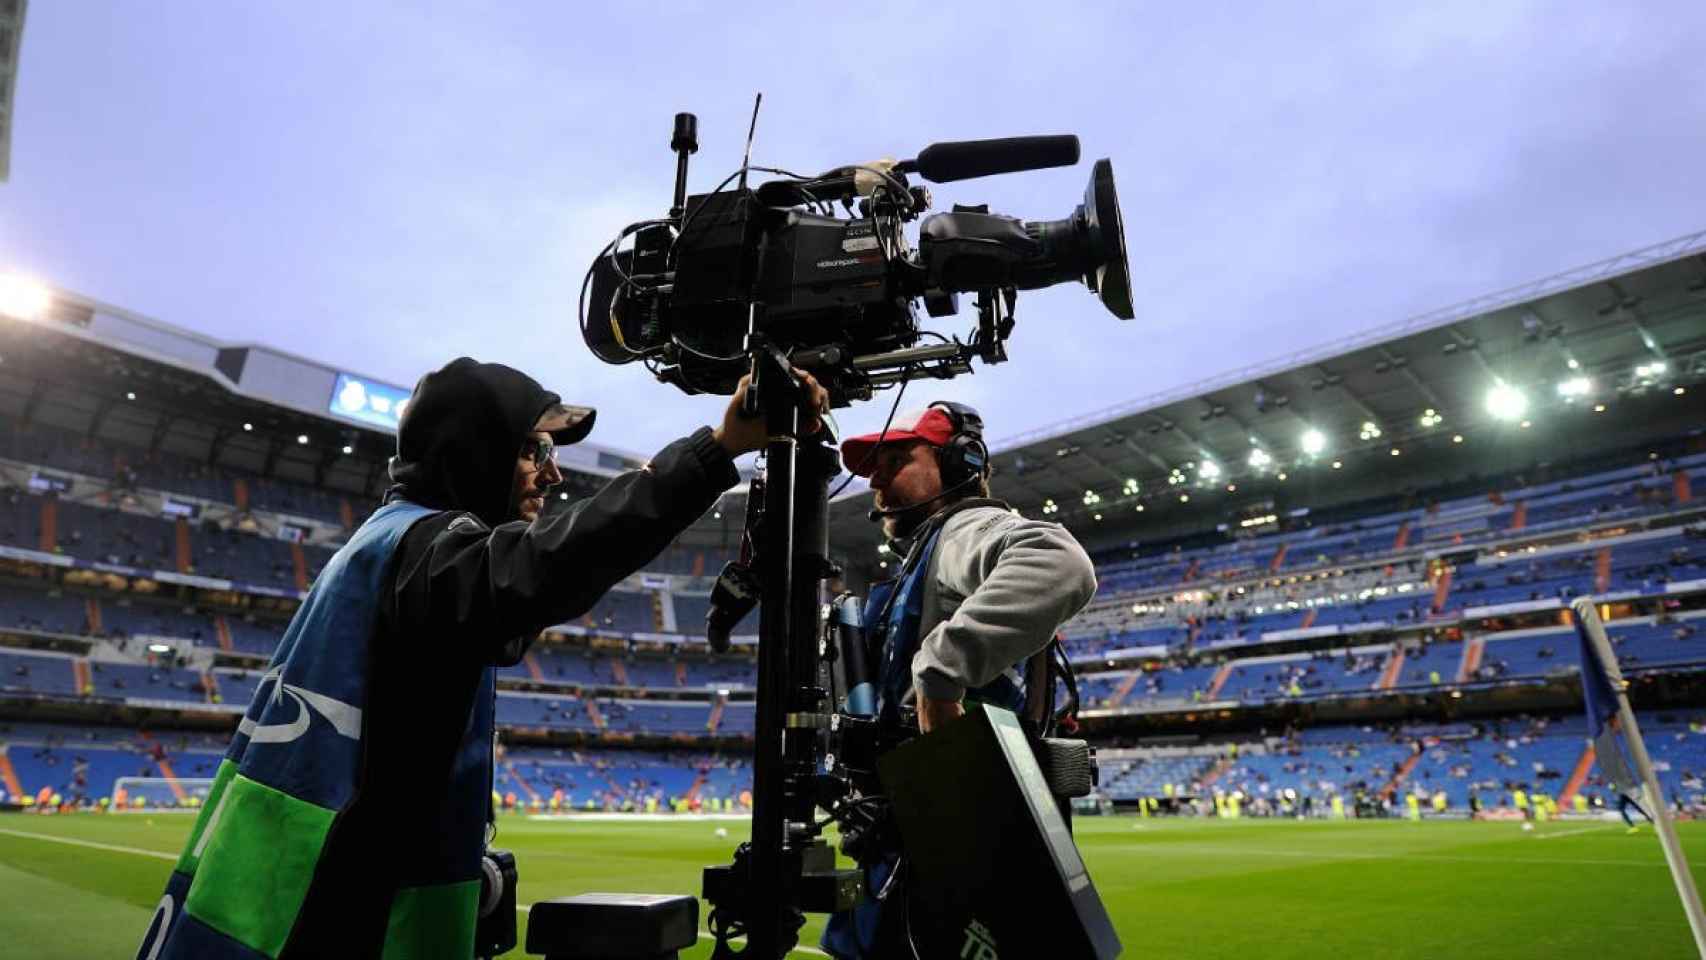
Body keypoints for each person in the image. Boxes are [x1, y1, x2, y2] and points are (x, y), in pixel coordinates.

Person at [139, 356, 827, 960]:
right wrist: (716, 450)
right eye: (533, 450)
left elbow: (506, 619)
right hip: (320, 911)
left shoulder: (392, 548)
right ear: (474, 453)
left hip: (300, 880)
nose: (553, 473)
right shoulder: (424, 551)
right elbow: (546, 568)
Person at [821, 401, 1098, 960]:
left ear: (959, 463)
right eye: (872, 468)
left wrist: (940, 672)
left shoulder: (962, 527)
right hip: (917, 832)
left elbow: (1061, 561)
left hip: (954, 835)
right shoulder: (926, 553)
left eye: (894, 460)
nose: (876, 479)